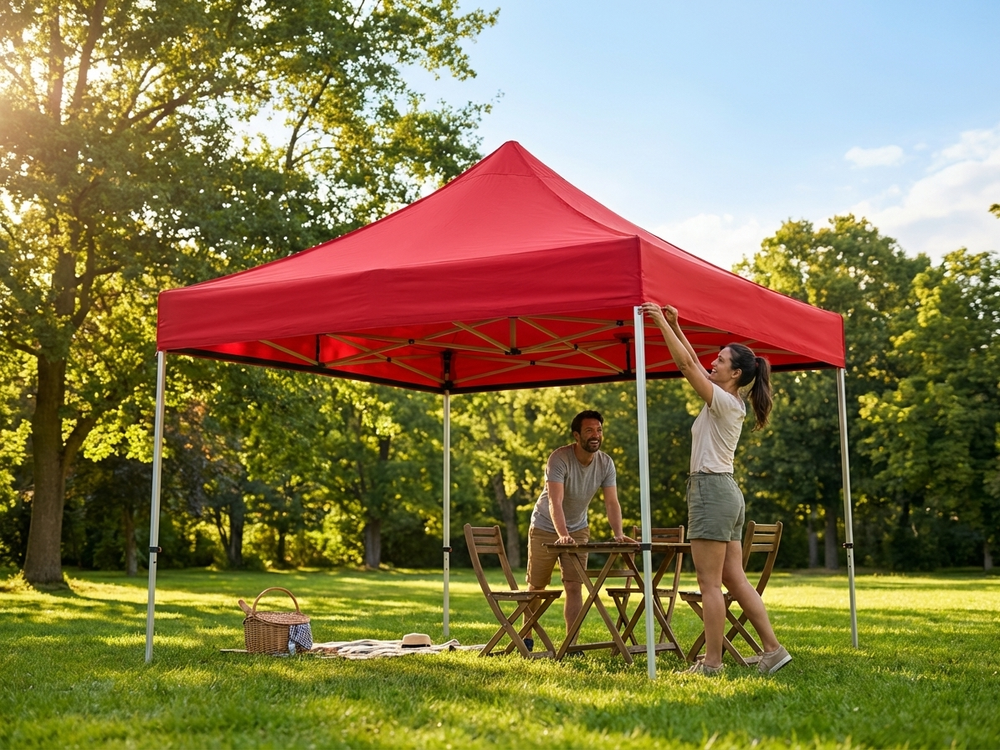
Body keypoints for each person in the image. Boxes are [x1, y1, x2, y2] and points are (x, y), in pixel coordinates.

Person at [641, 301, 792, 676]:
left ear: (735, 373)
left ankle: (711, 663)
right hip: (726, 492)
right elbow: (693, 360)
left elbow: (686, 366)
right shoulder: (729, 400)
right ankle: (773, 650)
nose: (714, 362)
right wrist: (676, 326)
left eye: (721, 360)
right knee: (734, 579)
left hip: (711, 491)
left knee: (709, 582)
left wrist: (659, 322)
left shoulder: (723, 402)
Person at [525, 410, 633, 649]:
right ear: (576, 435)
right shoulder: (559, 458)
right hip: (545, 525)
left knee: (574, 585)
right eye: (589, 431)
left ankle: (570, 644)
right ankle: (526, 635)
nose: (596, 435)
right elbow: (555, 501)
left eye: (599, 430)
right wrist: (563, 534)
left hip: (579, 528)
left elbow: (611, 502)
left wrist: (617, 532)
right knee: (537, 586)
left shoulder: (606, 463)